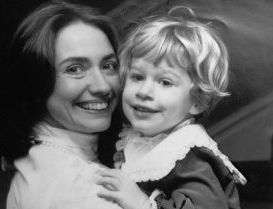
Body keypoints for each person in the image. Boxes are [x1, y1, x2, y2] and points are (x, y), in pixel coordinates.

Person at [96, 7, 247, 209]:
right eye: (137, 77)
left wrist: (140, 202)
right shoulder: (135, 139)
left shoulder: (189, 156)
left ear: (198, 101)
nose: (144, 91)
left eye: (165, 82)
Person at [0, 0, 123, 208]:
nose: (103, 86)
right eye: (75, 69)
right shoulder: (86, 191)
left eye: (108, 65)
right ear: (35, 83)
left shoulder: (36, 153)